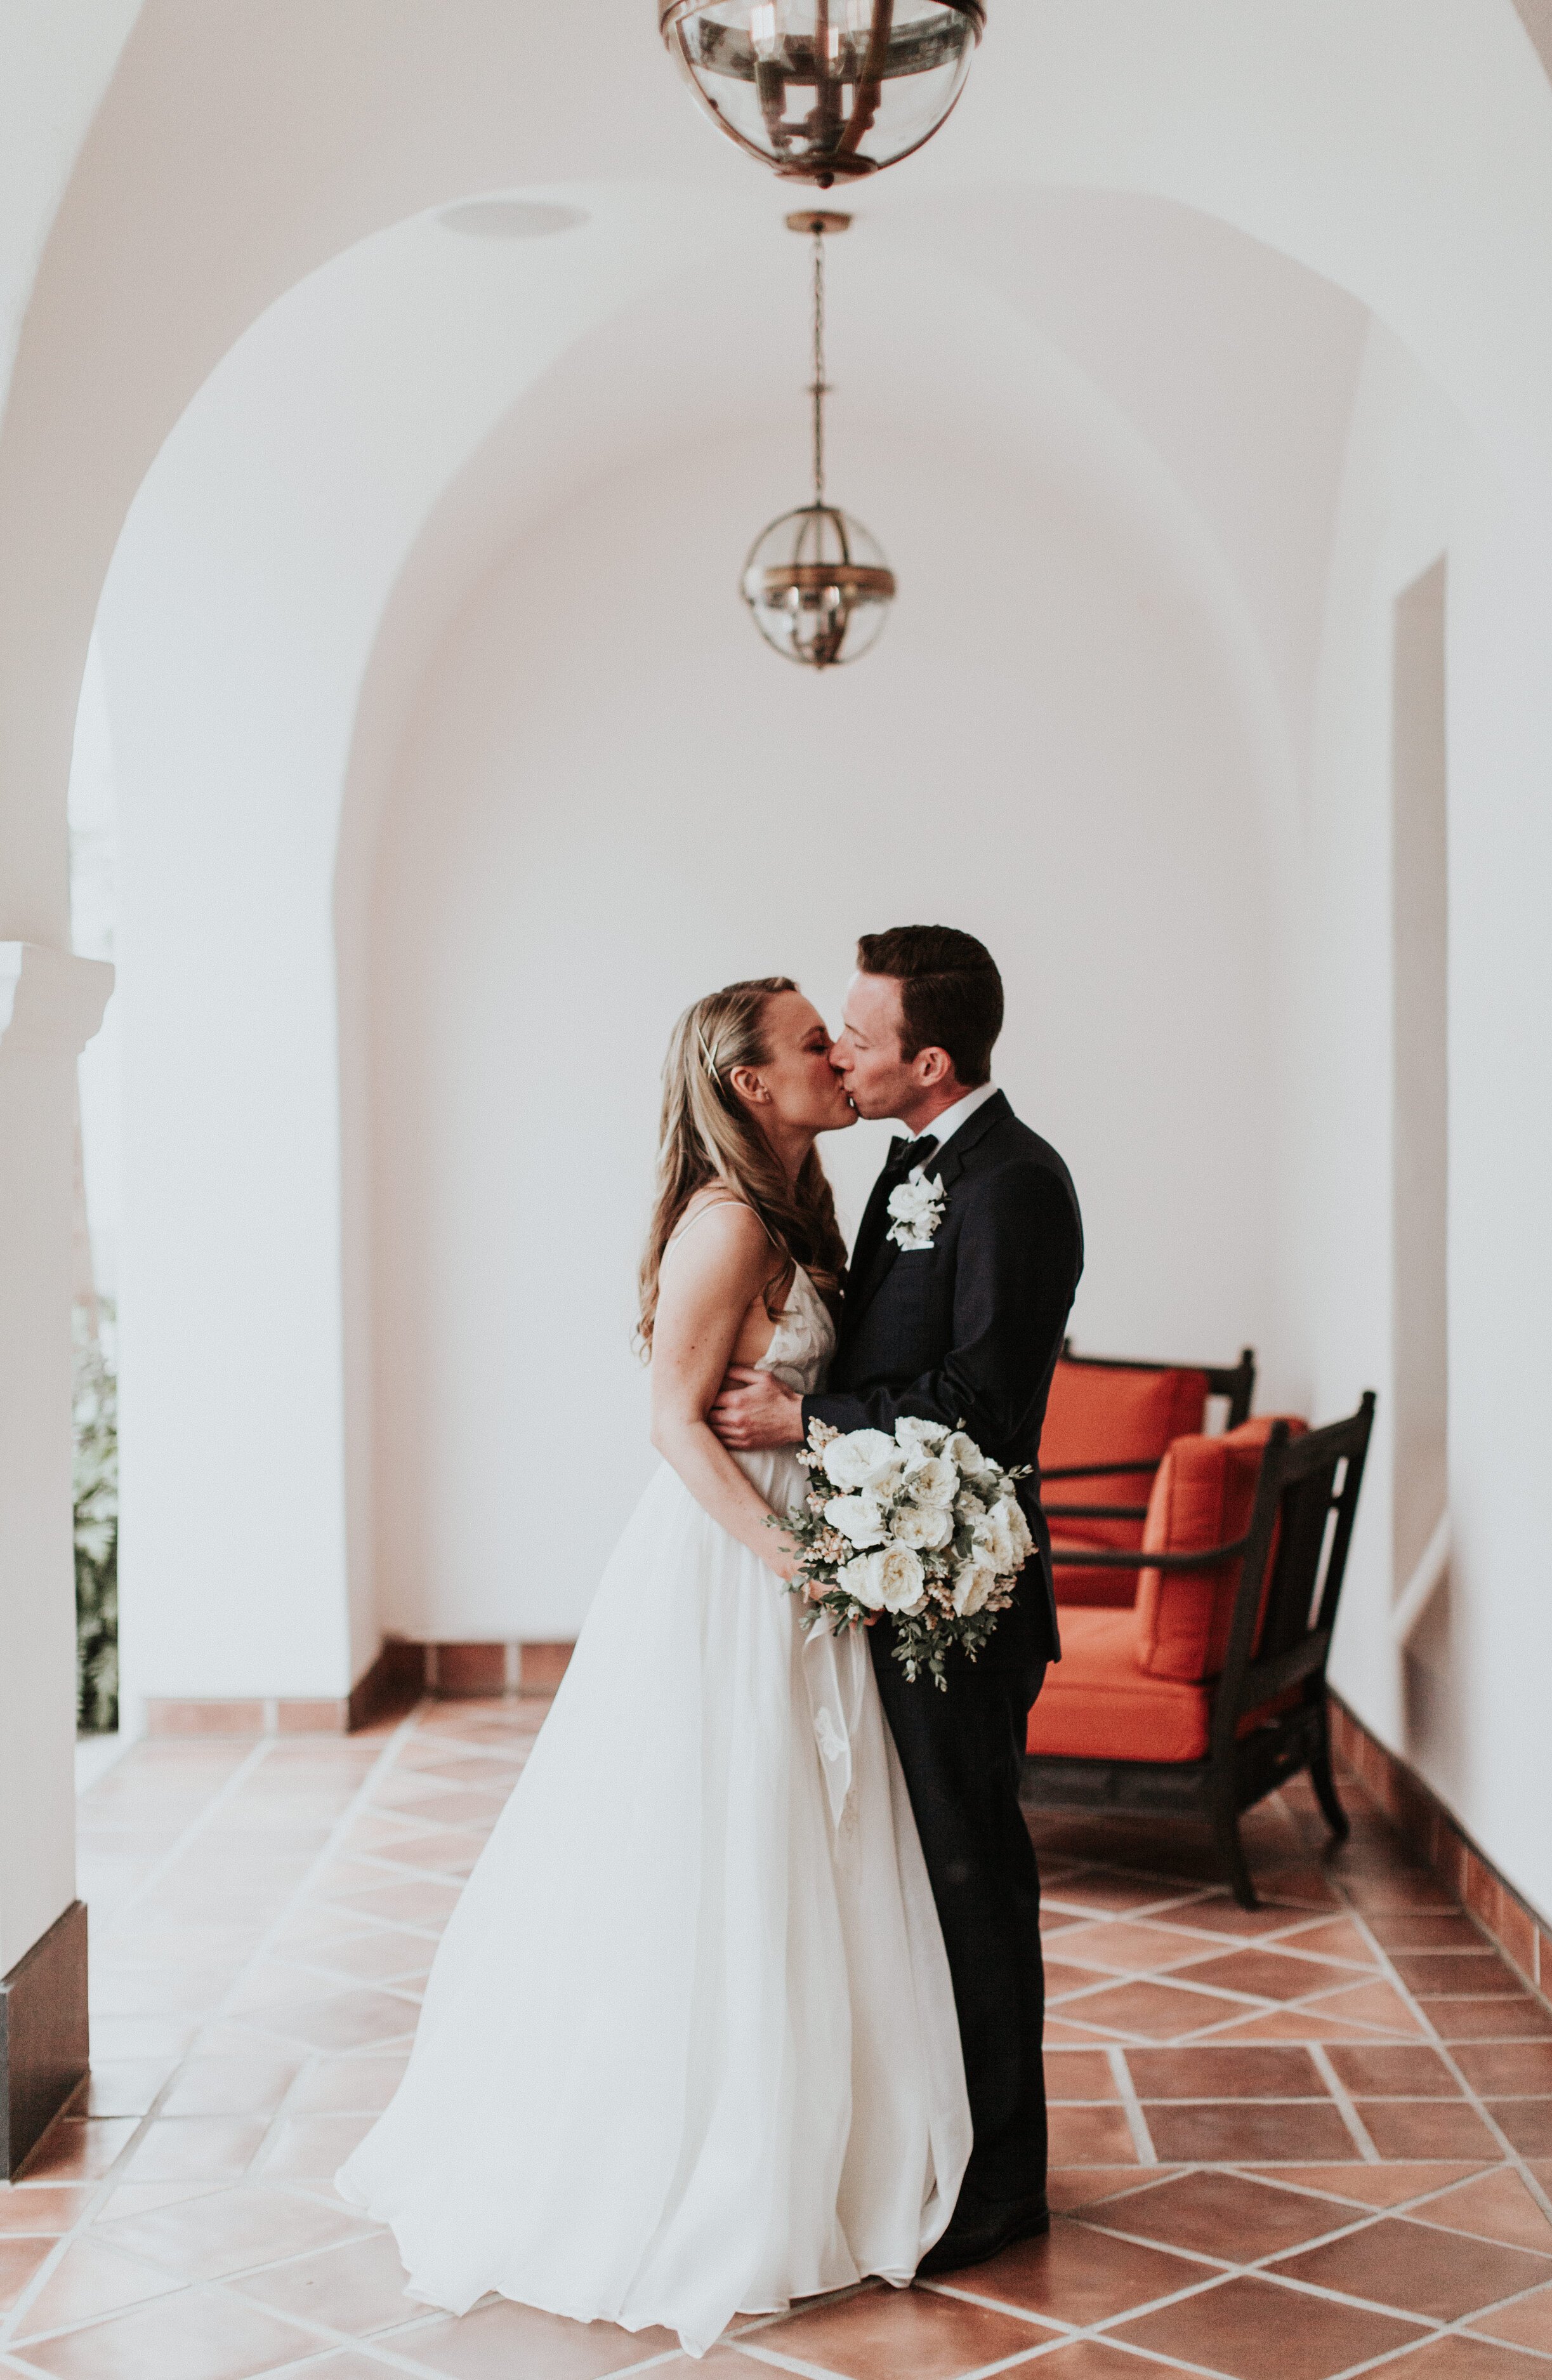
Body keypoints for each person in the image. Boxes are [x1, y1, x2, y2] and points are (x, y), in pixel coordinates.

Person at [336, 975, 970, 2358]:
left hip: (800, 1554)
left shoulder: (797, 1211)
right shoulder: (729, 1221)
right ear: (750, 1084)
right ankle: (702, 2155)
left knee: (810, 1845)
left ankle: (817, 2139)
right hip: (733, 1575)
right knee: (720, 1843)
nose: (834, 1057)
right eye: (812, 1044)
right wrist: (787, 1563)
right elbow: (673, 1427)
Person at [711, 926, 1083, 2275]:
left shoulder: (1014, 1185)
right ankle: (934, 2144)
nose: (840, 1055)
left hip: (960, 1594)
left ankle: (1001, 2186)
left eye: (857, 1038)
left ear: (929, 1061)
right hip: (893, 1575)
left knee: (972, 1876)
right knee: (914, 1881)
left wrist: (810, 1417)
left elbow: (982, 1404)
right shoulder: (906, 1169)